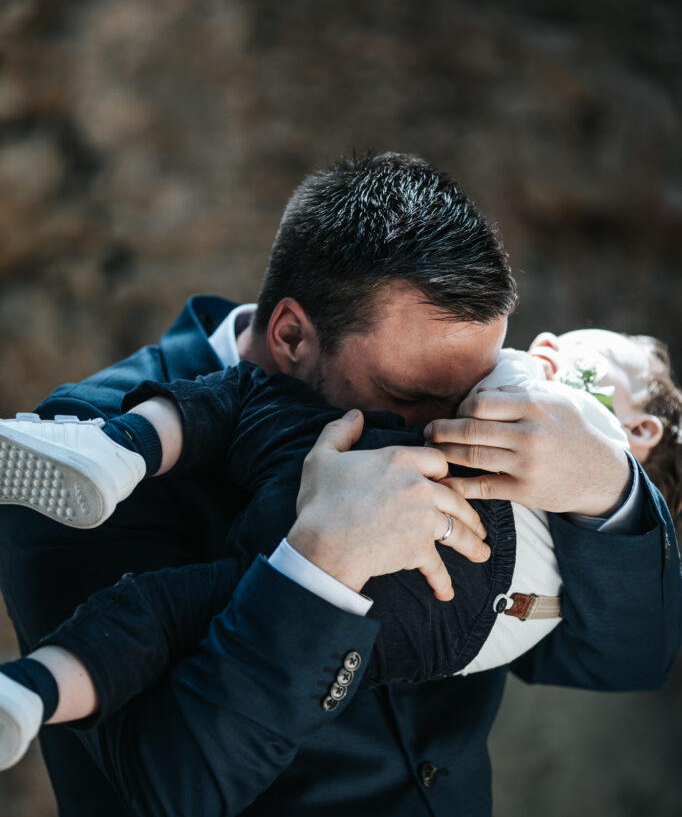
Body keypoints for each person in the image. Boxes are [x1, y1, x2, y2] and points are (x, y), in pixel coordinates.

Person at [0, 153, 679, 817]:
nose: (442, 426)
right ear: (291, 334)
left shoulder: (502, 408)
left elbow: (626, 660)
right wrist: (321, 561)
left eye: (464, 389)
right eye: (410, 398)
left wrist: (608, 488)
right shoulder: (75, 457)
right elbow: (174, 790)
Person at [2, 322, 681, 765]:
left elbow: (636, 657)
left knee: (241, 401)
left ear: (641, 433)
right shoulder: (574, 567)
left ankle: (118, 446)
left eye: (598, 354)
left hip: (422, 524)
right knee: (173, 613)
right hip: (420, 632)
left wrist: (610, 481)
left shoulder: (578, 420)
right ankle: (28, 693)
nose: (558, 337)